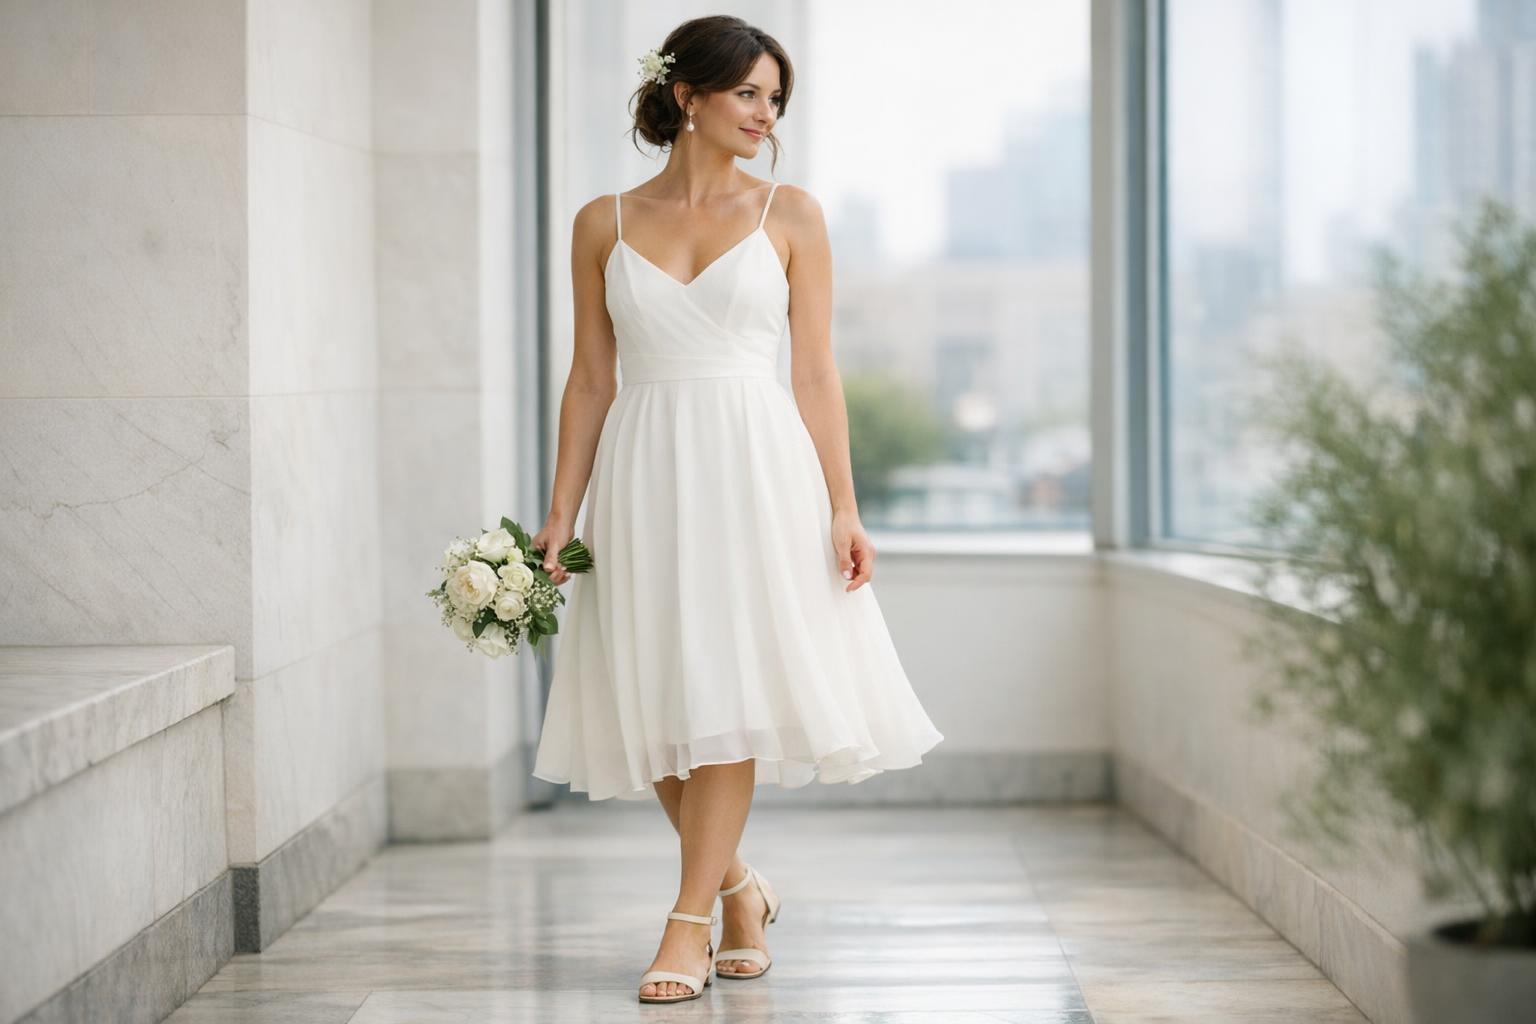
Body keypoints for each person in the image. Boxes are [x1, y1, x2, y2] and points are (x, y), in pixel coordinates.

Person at [527, 14, 944, 1005]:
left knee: (728, 692)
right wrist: (559, 513)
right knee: (655, 702)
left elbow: (815, 372)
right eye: (749, 93)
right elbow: (590, 379)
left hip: (756, 468)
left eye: (774, 99)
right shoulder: (602, 222)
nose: (766, 115)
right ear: (688, 97)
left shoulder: (791, 215)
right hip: (643, 472)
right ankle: (743, 889)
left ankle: (686, 923)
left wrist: (845, 506)